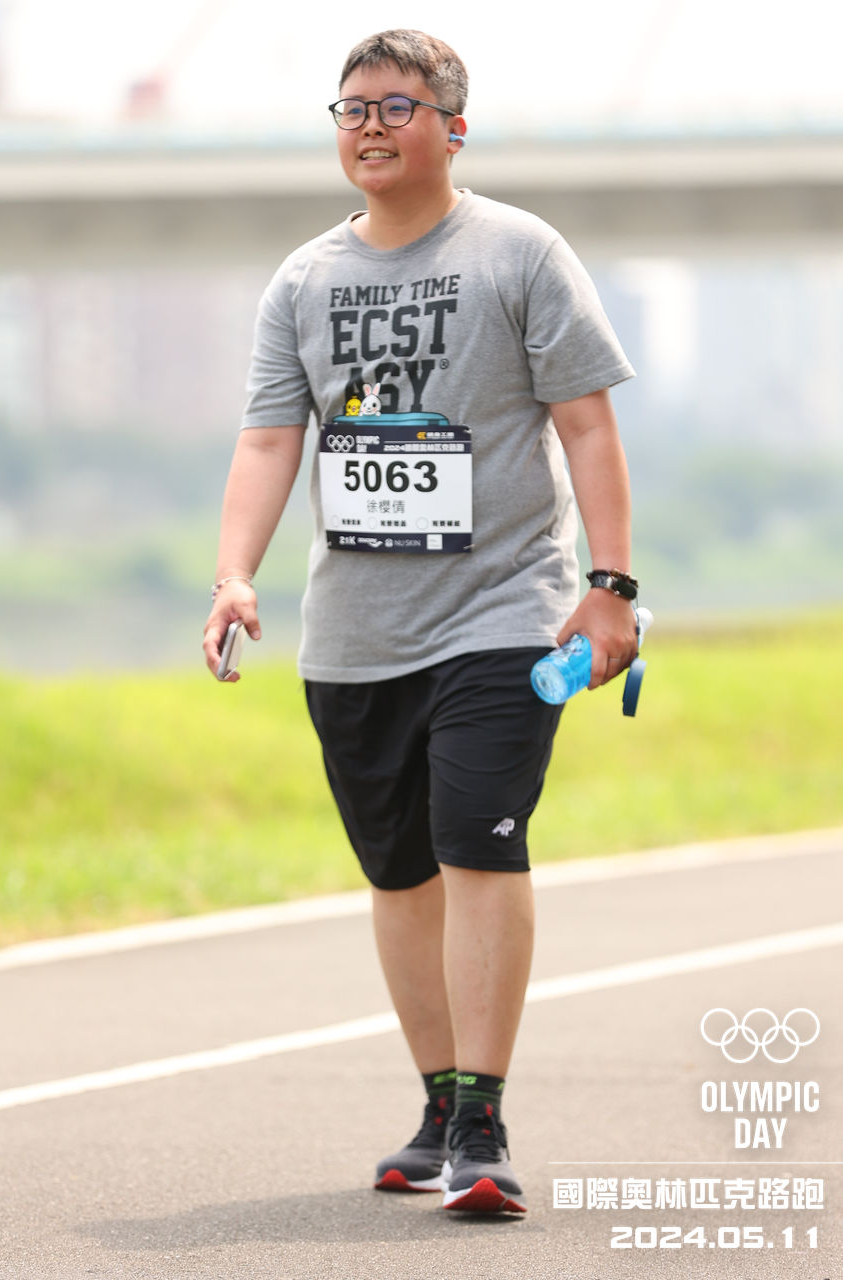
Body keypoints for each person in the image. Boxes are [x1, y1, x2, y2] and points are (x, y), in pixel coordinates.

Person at [203, 28, 638, 1215]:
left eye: (397, 107)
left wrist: (609, 584)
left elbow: (586, 424)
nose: (371, 127)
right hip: (355, 630)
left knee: (475, 838)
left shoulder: (519, 252)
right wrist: (234, 573)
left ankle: (483, 1119)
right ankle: (440, 1101)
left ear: (453, 127)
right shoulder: (303, 280)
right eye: (351, 109)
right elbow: (268, 439)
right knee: (398, 870)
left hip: (504, 610)